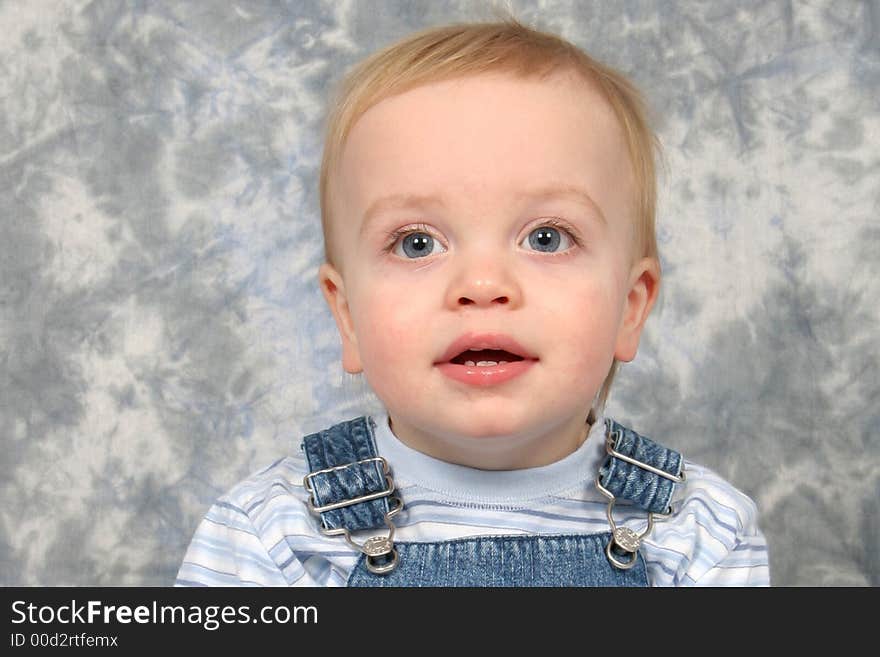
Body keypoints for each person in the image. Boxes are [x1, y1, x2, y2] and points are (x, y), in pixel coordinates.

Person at [176, 15, 769, 587]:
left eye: (546, 238)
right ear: (348, 315)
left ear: (631, 307)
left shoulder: (697, 535)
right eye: (416, 243)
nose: (482, 285)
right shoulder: (274, 538)